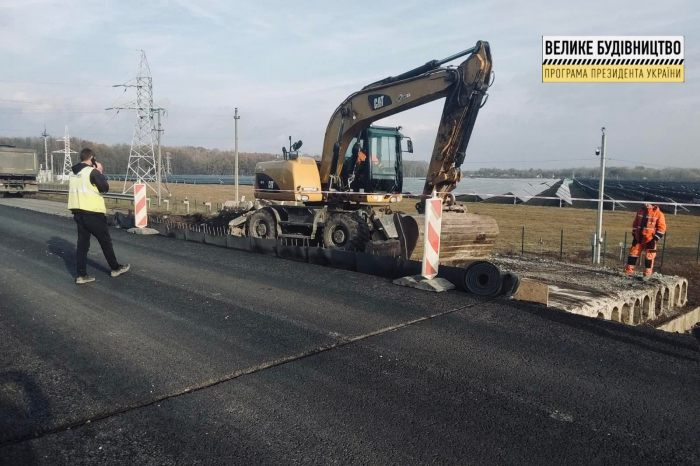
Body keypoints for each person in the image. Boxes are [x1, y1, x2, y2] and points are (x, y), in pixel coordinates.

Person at [68, 148, 129, 284]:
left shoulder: (73, 173)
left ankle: (81, 275)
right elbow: (104, 188)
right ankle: (115, 268)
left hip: (78, 212)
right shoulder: (92, 172)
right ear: (92, 158)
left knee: (82, 245)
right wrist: (99, 171)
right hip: (93, 212)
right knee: (105, 241)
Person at [625, 197, 666, 280]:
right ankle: (628, 272)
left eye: (648, 203)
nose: (646, 205)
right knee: (632, 255)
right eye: (645, 203)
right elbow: (635, 224)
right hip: (638, 238)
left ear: (653, 204)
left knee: (649, 257)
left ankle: (647, 274)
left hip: (650, 239)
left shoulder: (659, 214)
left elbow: (662, 228)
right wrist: (634, 233)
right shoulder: (640, 212)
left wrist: (655, 239)